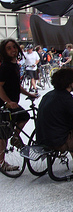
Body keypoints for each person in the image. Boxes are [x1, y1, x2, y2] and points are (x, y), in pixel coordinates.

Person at [0, 39, 38, 171]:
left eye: (14, 47)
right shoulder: (5, 67)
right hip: (3, 105)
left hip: (12, 104)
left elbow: (17, 85)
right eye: (9, 48)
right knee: (3, 134)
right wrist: (7, 102)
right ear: (4, 52)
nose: (13, 50)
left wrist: (29, 94)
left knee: (24, 117)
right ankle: (1, 163)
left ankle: (15, 137)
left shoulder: (15, 64)